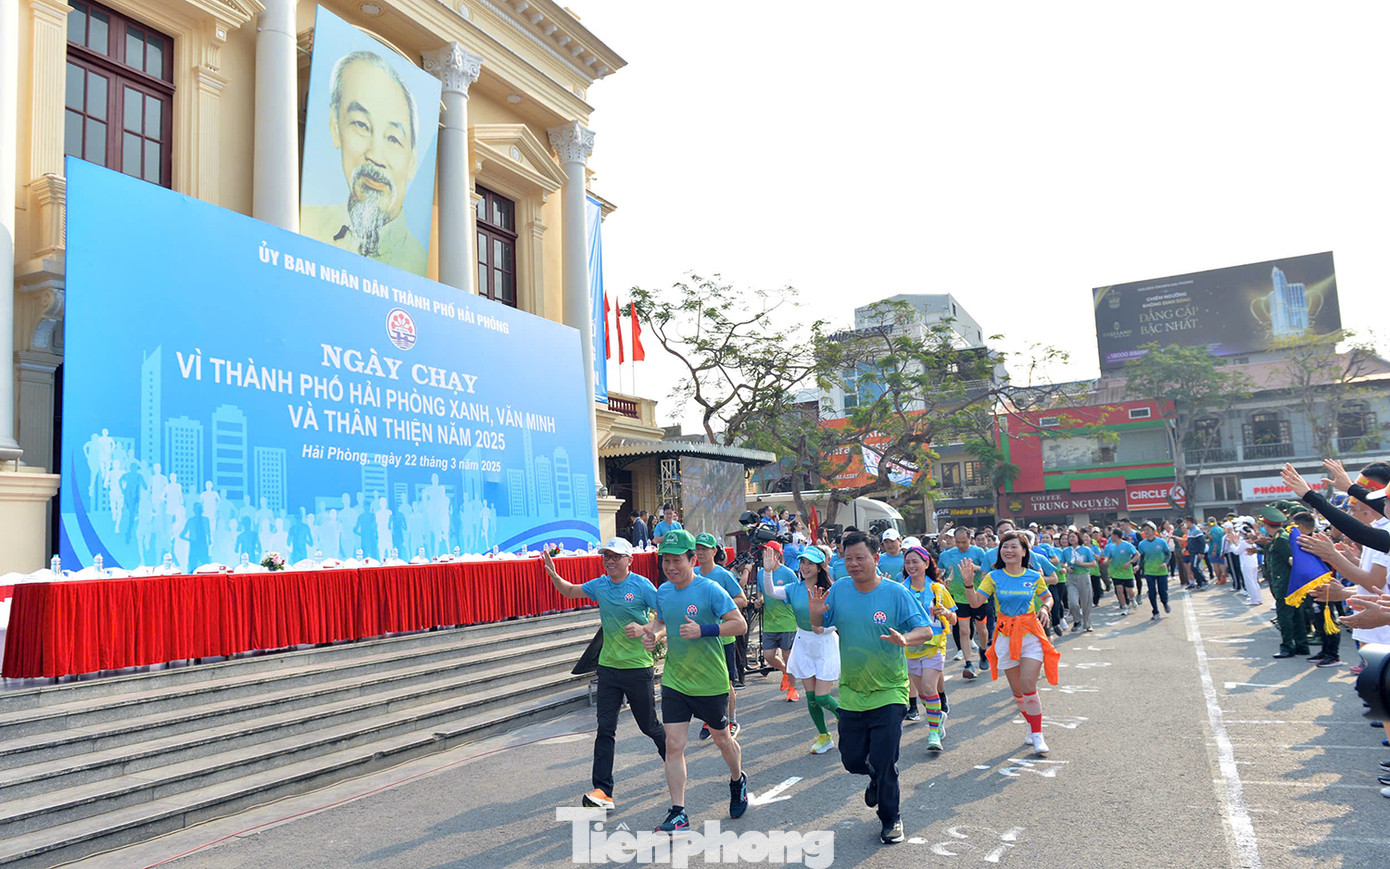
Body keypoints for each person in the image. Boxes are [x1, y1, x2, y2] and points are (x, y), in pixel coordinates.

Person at [807, 530, 934, 845]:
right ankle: (874, 776)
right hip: (852, 690)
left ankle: (891, 819)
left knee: (885, 760)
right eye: (848, 558)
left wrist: (905, 639)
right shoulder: (839, 589)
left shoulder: (895, 593)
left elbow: (925, 630)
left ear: (876, 558)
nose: (853, 563)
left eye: (860, 557)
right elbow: (819, 625)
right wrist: (815, 611)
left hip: (889, 690)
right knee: (852, 760)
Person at [542, 539, 666, 811]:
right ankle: (603, 791)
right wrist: (554, 575)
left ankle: (673, 759)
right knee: (605, 729)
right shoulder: (600, 585)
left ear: (629, 560)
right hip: (608, 668)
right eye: (606, 556)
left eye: (616, 556)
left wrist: (646, 629)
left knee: (648, 726)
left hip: (637, 667)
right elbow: (570, 591)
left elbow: (666, 616)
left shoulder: (642, 586)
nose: (610, 561)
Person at [639, 530, 749, 833]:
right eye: (666, 561)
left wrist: (704, 630)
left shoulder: (710, 589)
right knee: (673, 745)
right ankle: (679, 812)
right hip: (675, 680)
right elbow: (662, 621)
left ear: (692, 560)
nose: (671, 567)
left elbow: (739, 624)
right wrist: (653, 634)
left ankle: (737, 780)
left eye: (677, 560)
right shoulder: (663, 591)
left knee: (722, 739)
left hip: (710, 681)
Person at [300, 50, 429, 275]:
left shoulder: (423, 271)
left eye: (393, 138)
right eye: (361, 125)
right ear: (335, 126)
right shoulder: (301, 224)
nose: (375, 156)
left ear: (413, 160)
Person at [961, 531, 1059, 756]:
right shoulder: (993, 577)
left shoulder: (1033, 575)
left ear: (1024, 551)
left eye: (1014, 547)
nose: (1009, 551)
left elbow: (1047, 596)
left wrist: (1045, 608)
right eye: (1005, 547)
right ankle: (1031, 724)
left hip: (1030, 635)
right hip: (1005, 637)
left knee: (1028, 684)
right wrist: (968, 584)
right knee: (1017, 691)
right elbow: (976, 602)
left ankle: (1037, 734)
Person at [763, 545, 841, 755]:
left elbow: (839, 619)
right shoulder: (794, 588)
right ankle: (824, 736)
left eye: (810, 563)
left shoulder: (831, 590)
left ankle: (845, 717)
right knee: (812, 698)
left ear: (819, 567)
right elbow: (771, 591)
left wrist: (824, 629)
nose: (805, 567)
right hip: (803, 643)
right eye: (803, 562)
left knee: (823, 698)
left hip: (825, 643)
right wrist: (768, 571)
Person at [695, 533, 749, 739]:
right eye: (697, 549)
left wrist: (720, 608)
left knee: (726, 683)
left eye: (704, 549)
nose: (700, 552)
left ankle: (732, 720)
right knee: (703, 680)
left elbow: (742, 600)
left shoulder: (723, 575)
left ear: (714, 551)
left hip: (723, 638)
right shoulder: (692, 573)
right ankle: (709, 720)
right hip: (700, 638)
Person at [902, 546, 956, 752]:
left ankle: (934, 733)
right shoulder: (901, 589)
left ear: (926, 563)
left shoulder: (937, 589)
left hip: (934, 645)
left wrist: (946, 613)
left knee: (928, 687)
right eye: (908, 562)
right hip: (911, 646)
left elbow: (954, 618)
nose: (911, 566)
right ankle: (938, 716)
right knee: (924, 695)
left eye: (915, 561)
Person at [746, 541, 801, 701]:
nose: (764, 555)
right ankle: (786, 672)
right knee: (769, 656)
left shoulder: (788, 573)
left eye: (768, 552)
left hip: (787, 621)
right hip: (770, 621)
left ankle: (792, 689)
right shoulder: (761, 573)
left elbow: (796, 594)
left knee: (787, 655)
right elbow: (761, 592)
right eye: (764, 552)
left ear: (777, 555)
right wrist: (759, 600)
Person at [938, 527, 986, 667]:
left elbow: (987, 569)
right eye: (958, 542)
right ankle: (968, 663)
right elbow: (940, 572)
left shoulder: (978, 552)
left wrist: (975, 568)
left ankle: (983, 651)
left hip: (978, 597)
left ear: (970, 539)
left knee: (982, 631)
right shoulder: (946, 555)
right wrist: (943, 580)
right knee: (964, 631)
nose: (961, 545)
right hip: (959, 597)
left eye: (964, 542)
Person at [1136, 522, 1172, 621]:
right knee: (1151, 592)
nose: (1146, 532)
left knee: (1162, 591)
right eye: (1144, 530)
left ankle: (1165, 603)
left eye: (1148, 529)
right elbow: (1142, 557)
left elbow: (1168, 554)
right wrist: (1138, 565)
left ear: (1153, 531)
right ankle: (1155, 611)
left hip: (1161, 571)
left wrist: (1165, 563)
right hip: (1149, 571)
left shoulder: (1161, 542)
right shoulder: (1142, 544)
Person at [1061, 530, 1095, 632]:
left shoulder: (1086, 550)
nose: (1071, 539)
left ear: (1078, 538)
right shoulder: (1066, 551)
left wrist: (1082, 564)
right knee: (1073, 603)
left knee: (1086, 602)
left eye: (1073, 537)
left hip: (1084, 577)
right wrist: (1067, 568)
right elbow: (1062, 562)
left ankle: (1087, 624)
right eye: (1070, 537)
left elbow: (1093, 563)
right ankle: (1077, 619)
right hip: (1072, 578)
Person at [1103, 528, 1139, 614]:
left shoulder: (1127, 545)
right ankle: (1124, 607)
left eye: (1112, 535)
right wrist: (1106, 560)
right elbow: (1107, 556)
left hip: (1126, 571)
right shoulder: (1109, 546)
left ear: (1116, 536)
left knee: (1129, 591)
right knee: (1119, 590)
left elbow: (1137, 555)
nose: (1110, 537)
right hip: (1115, 572)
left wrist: (1130, 563)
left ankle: (1132, 599)